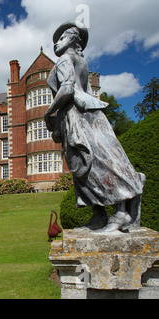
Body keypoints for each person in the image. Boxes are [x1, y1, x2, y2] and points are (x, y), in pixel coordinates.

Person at [44, 21, 145, 232]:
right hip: (92, 114)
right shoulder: (82, 62)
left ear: (73, 39)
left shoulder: (63, 61)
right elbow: (87, 92)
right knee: (101, 157)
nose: (56, 44)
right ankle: (99, 215)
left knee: (88, 162)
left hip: (75, 117)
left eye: (61, 38)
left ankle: (120, 212)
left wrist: (48, 112)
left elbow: (67, 89)